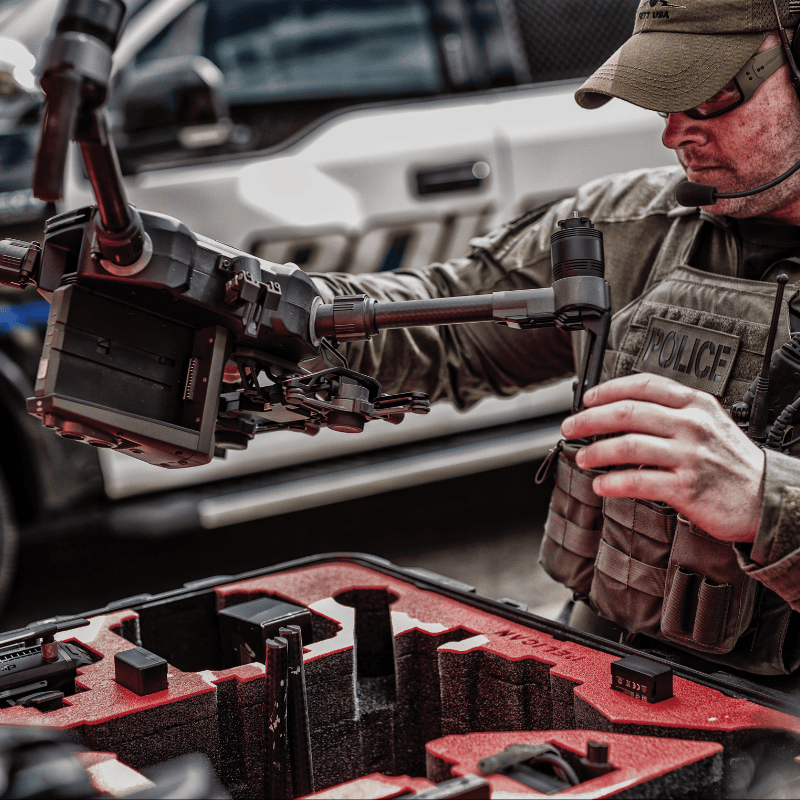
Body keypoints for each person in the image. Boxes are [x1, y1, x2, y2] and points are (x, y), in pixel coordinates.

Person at [312, 0, 800, 675]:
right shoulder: (626, 227)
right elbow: (446, 327)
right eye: (664, 101)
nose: (674, 134)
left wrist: (765, 500)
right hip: (607, 678)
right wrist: (266, 309)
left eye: (708, 96)